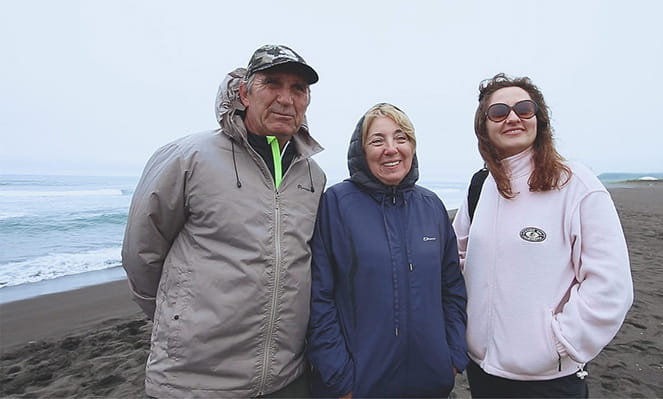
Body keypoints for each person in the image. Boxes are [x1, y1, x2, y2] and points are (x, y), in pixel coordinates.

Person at [121, 44, 326, 398]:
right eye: (272, 83)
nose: (285, 98)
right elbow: (142, 252)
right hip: (194, 381)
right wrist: (175, 319)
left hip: (286, 377)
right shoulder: (189, 158)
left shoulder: (313, 177)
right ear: (244, 92)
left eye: (298, 89)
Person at [452, 73, 633, 398]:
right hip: (481, 371)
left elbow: (611, 286)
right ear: (484, 126)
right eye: (498, 112)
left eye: (523, 108)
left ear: (539, 119)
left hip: (549, 380)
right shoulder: (481, 186)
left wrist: (559, 343)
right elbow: (457, 259)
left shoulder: (576, 184)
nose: (512, 118)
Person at [307, 103, 468, 398]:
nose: (391, 149)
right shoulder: (337, 204)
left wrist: (453, 358)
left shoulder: (431, 206)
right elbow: (319, 297)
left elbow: (452, 289)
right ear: (361, 149)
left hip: (430, 382)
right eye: (377, 140)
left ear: (412, 146)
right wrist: (339, 378)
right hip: (359, 385)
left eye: (401, 138)